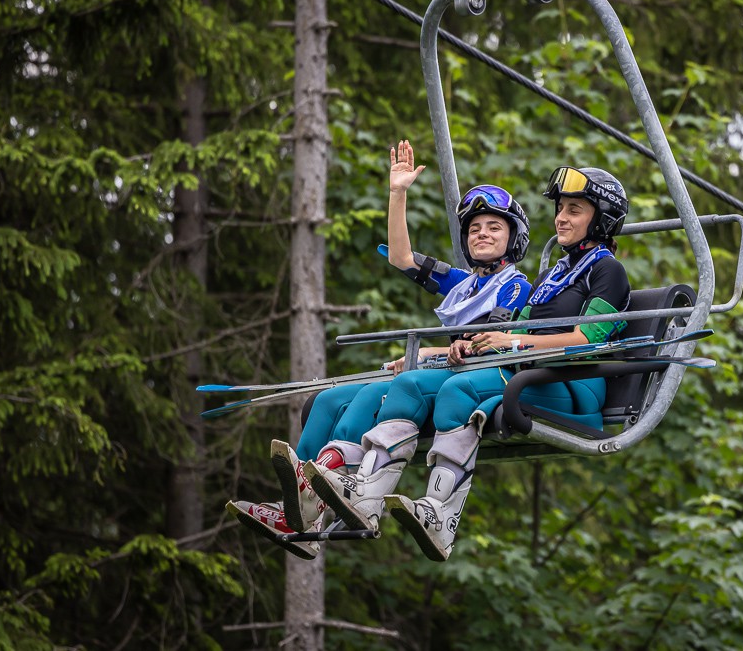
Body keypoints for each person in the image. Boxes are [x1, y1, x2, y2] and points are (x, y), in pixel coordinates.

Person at [307, 165, 631, 561]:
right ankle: (372, 494)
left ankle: (440, 513)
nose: (561, 217)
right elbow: (516, 332)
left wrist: (512, 341)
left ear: (602, 218)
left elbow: (588, 340)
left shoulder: (607, 271)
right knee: (416, 384)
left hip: (573, 383)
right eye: (560, 208)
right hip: (530, 371)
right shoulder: (555, 274)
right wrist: (463, 349)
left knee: (458, 387)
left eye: (574, 210)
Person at [227, 140, 532, 559]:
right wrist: (397, 193)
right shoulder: (462, 285)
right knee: (328, 399)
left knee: (376, 392)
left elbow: (487, 343)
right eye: (475, 228)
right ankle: (302, 503)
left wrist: (424, 356)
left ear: (513, 238)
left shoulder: (515, 286)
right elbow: (401, 257)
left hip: (465, 379)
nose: (482, 234)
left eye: (494, 227)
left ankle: (339, 487)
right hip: (442, 371)